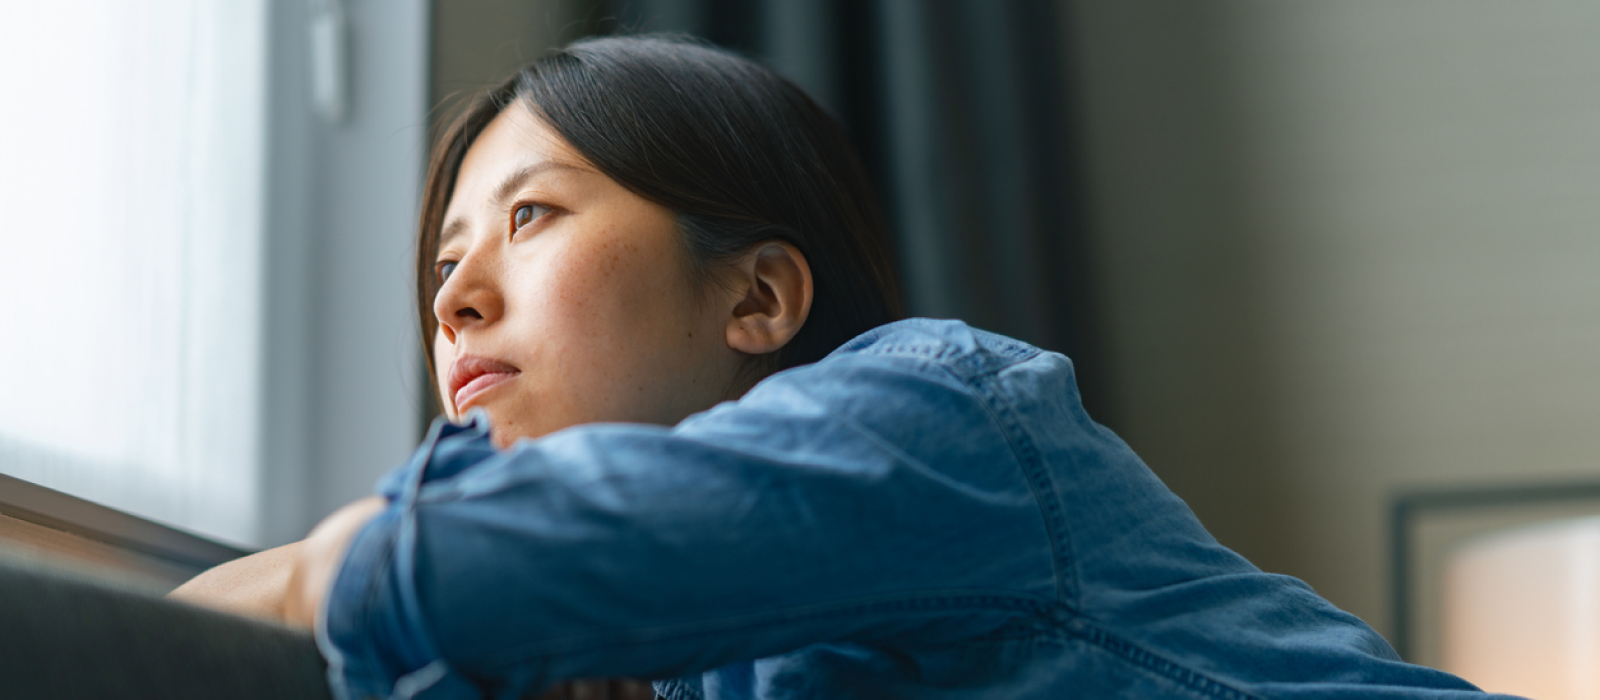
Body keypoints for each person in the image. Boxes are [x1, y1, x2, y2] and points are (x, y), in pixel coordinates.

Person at [173, 35, 1517, 700]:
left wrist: (343, 570)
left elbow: (389, 573)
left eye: (530, 218)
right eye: (441, 265)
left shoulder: (929, 411)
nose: (456, 298)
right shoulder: (662, 623)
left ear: (759, 295)